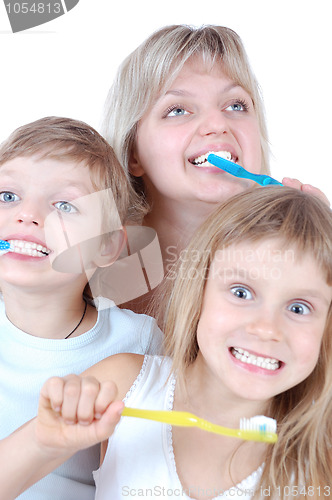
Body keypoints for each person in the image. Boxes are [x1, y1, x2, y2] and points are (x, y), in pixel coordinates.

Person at [2, 186, 331, 499]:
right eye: (241, 292)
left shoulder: (317, 467)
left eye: (299, 308)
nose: (266, 328)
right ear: (198, 291)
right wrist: (42, 443)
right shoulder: (126, 383)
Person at [102, 24, 330, 313]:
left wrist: (320, 258)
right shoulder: (89, 263)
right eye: (178, 110)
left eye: (235, 105)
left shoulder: (286, 264)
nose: (218, 124)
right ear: (133, 153)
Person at [0, 116, 163, 500]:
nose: (27, 215)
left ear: (107, 246)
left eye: (64, 205)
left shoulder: (138, 342)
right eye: (8, 196)